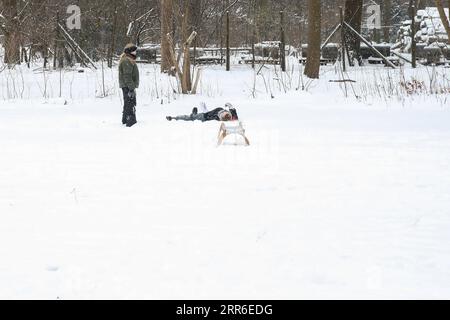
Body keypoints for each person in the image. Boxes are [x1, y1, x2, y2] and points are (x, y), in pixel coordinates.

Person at [119, 43, 140, 127]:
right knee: (130, 103)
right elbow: (127, 76)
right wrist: (131, 88)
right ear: (129, 51)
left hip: (128, 86)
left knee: (128, 103)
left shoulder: (129, 60)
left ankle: (125, 119)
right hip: (127, 86)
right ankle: (130, 121)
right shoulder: (126, 61)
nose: (135, 52)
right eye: (134, 51)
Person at [166, 102, 239, 122]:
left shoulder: (217, 117)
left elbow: (207, 114)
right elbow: (231, 107)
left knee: (191, 118)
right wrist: (228, 105)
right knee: (192, 118)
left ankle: (174, 117)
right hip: (206, 114)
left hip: (205, 116)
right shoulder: (232, 115)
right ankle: (174, 117)